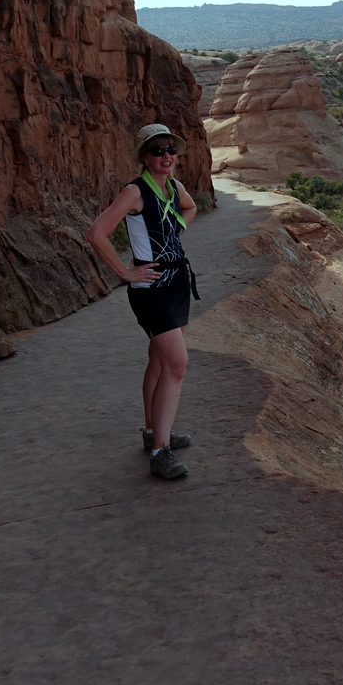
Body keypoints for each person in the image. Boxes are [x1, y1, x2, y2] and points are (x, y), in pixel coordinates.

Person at [87, 124, 198, 479]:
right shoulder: (135, 191)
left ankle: (154, 432)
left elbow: (190, 207)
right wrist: (124, 271)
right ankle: (160, 452)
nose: (166, 156)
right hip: (152, 289)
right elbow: (97, 233)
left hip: (177, 282)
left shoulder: (173, 188)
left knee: (160, 359)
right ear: (145, 157)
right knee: (177, 365)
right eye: (157, 150)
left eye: (170, 149)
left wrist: (175, 227)